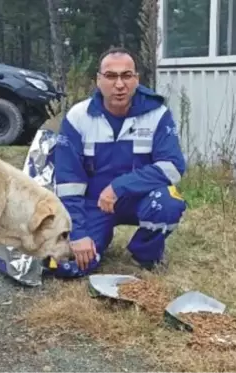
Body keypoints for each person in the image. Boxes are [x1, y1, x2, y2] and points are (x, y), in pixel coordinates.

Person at [48, 46, 188, 278]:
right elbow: (68, 182)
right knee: (68, 268)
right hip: (94, 204)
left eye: (126, 75)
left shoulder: (157, 114)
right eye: (111, 76)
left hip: (139, 199)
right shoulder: (78, 117)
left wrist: (119, 187)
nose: (119, 84)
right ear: (98, 80)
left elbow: (173, 166)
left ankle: (145, 254)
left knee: (168, 203)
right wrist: (78, 234)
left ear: (136, 79)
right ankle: (99, 235)